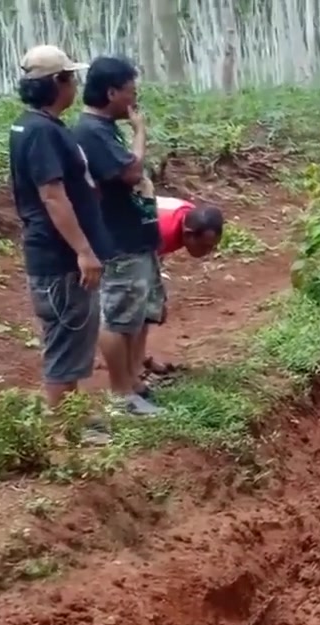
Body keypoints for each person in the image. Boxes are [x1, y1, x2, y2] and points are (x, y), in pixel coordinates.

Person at [8, 45, 114, 432]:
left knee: (68, 339)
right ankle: (62, 431)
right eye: (71, 77)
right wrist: (83, 251)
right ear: (58, 83)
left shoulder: (34, 125)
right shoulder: (40, 132)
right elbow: (52, 195)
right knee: (64, 340)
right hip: (58, 257)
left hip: (53, 253)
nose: (76, 85)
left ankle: (72, 420)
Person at [72, 55, 162, 415]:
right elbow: (131, 172)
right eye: (130, 92)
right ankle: (120, 393)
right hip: (116, 241)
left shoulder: (104, 129)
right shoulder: (92, 132)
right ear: (111, 92)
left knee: (136, 314)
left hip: (131, 236)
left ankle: (133, 382)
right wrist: (140, 132)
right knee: (119, 315)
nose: (133, 100)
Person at [138, 196, 224, 380]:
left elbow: (154, 260)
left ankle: (138, 358)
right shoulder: (165, 231)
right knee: (132, 307)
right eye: (205, 246)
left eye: (213, 247)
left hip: (139, 240)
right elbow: (140, 266)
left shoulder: (192, 217)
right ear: (188, 234)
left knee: (146, 305)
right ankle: (128, 373)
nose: (208, 252)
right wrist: (158, 297)